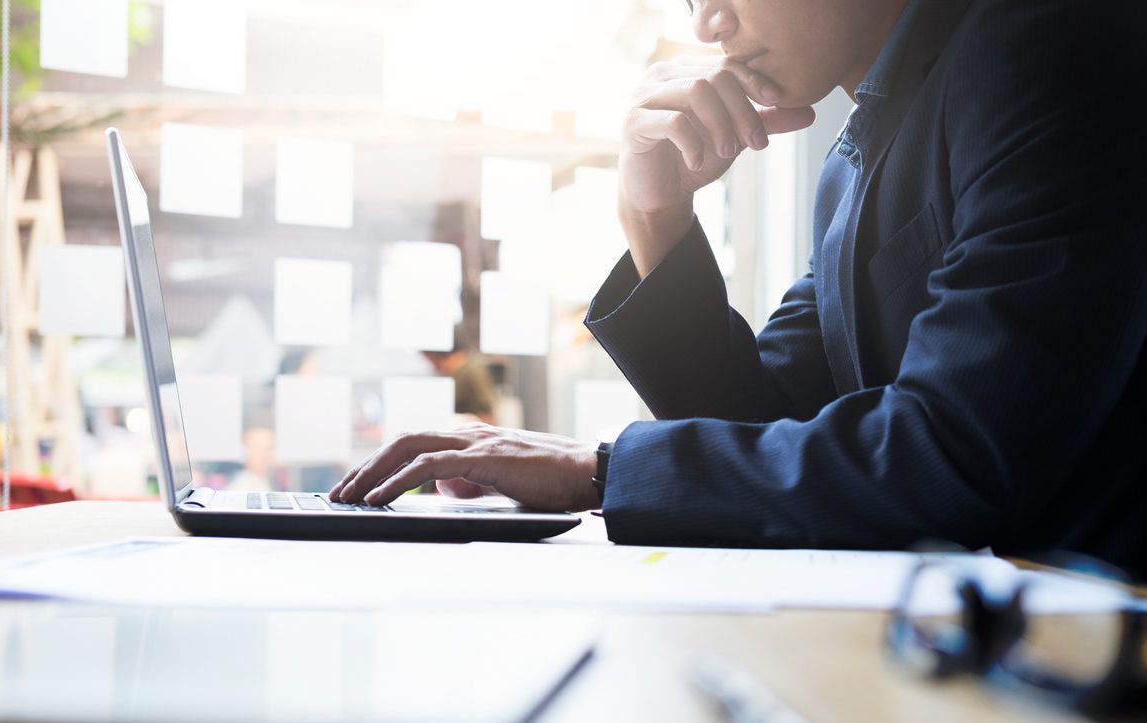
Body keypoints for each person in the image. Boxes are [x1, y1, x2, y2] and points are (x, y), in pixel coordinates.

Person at [332, 0, 1147, 577]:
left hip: (1093, 644)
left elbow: (955, 456)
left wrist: (599, 469)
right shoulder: (855, 158)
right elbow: (766, 425)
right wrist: (655, 216)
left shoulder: (1046, 44)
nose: (704, 22)